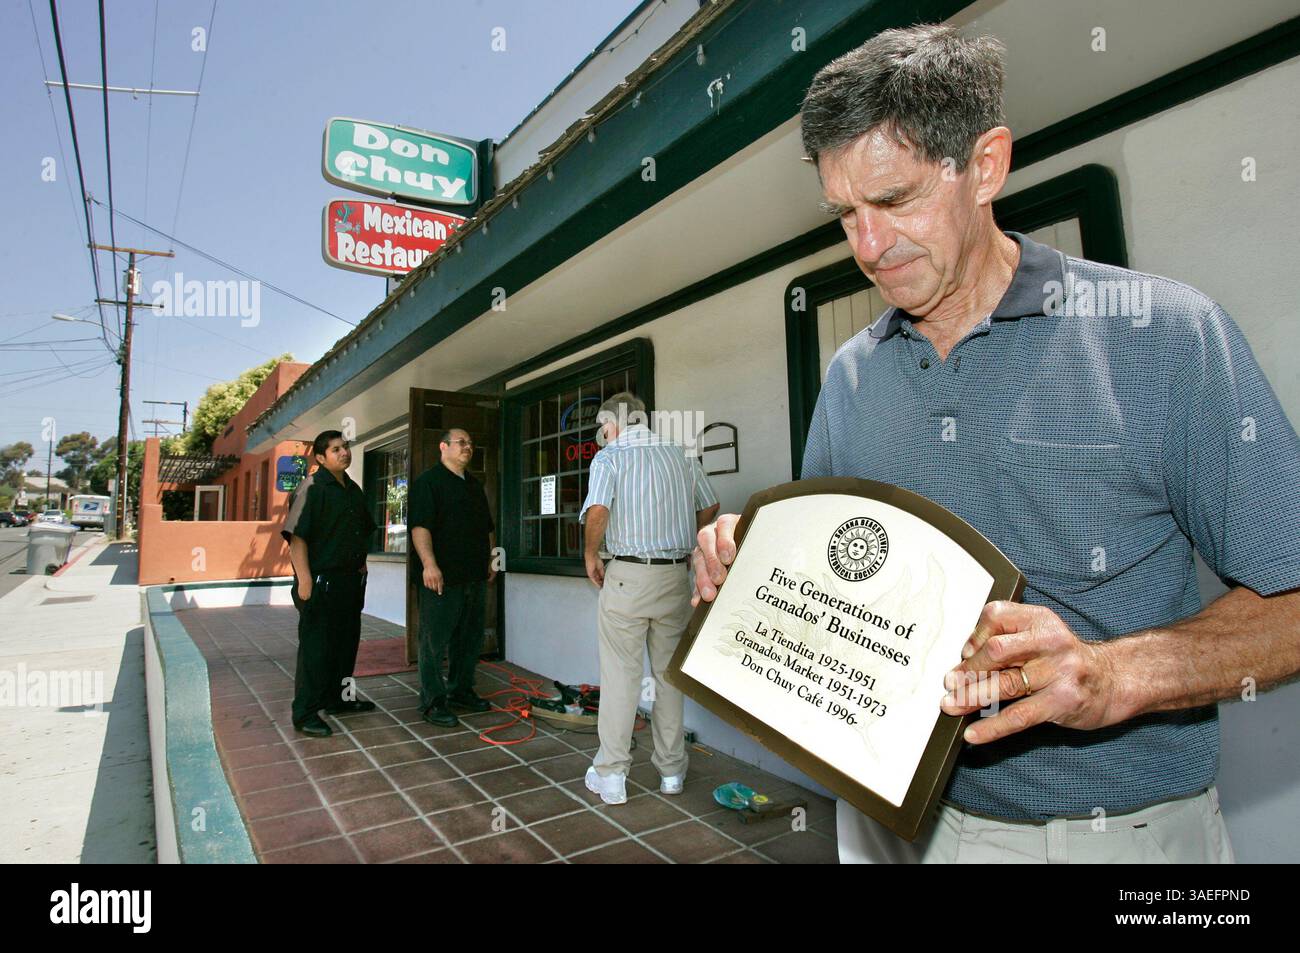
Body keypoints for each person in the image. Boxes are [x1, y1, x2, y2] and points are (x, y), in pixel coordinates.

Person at [694, 24, 1300, 862]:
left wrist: (1111, 674)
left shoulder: (1166, 335)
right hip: (882, 825)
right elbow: (835, 592)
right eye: (845, 215)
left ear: (985, 165)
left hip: (1101, 839)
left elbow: (1292, 606)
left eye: (896, 200)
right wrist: (751, 564)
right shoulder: (850, 378)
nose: (868, 248)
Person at [579, 392, 720, 805]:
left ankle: (612, 775)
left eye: (604, 427)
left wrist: (590, 553)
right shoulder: (679, 453)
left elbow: (599, 509)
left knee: (621, 676)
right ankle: (672, 771)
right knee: (667, 677)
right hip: (674, 577)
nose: (603, 435)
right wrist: (679, 537)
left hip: (627, 575)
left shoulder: (610, 456)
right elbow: (709, 504)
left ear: (614, 422)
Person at [282, 431, 377, 738]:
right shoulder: (311, 487)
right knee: (316, 649)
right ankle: (305, 712)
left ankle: (339, 700)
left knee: (345, 645)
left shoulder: (352, 489)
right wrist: (304, 580)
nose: (344, 453)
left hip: (350, 583)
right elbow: (297, 537)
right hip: (320, 582)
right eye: (336, 449)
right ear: (321, 458)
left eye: (345, 447)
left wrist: (361, 564)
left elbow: (362, 529)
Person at [408, 428, 497, 728]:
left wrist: (491, 559)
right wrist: (429, 565)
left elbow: (487, 527)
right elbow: (420, 527)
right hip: (441, 578)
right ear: (443, 447)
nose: (468, 447)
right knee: (434, 640)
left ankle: (461, 690)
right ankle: (433, 701)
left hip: (473, 575)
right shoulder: (428, 483)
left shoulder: (474, 485)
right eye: (462, 443)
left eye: (471, 443)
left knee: (469, 639)